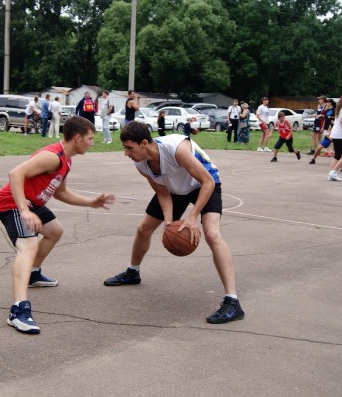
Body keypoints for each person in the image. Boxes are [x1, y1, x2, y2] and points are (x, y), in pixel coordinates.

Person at [103, 121, 245, 324]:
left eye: (129, 147)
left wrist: (192, 216)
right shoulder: (141, 163)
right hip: (174, 190)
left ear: (144, 143)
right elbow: (162, 191)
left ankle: (232, 301)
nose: (126, 153)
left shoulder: (177, 149)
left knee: (212, 234)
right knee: (143, 228)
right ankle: (132, 272)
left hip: (202, 184)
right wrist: (169, 222)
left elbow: (208, 182)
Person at [0, 116, 116, 334]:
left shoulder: (66, 160)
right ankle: (18, 310)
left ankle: (32, 274)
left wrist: (92, 203)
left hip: (32, 203)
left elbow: (61, 192)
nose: (92, 142)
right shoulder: (53, 157)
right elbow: (15, 174)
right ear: (77, 138)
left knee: (55, 231)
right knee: (28, 246)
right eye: (90, 138)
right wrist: (24, 210)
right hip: (12, 203)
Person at [308, 99, 335, 164]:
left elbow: (333, 119)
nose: (326, 103)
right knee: (320, 146)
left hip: (332, 129)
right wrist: (322, 126)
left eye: (327, 102)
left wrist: (331, 126)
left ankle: (333, 153)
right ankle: (314, 159)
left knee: (335, 143)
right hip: (327, 128)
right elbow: (325, 119)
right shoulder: (327, 110)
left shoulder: (334, 110)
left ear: (330, 103)